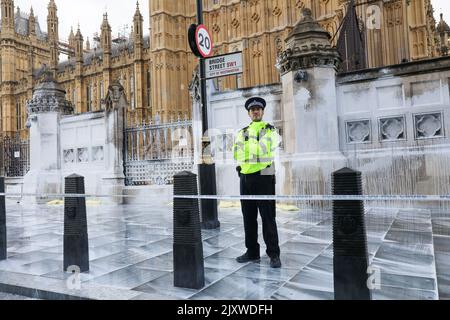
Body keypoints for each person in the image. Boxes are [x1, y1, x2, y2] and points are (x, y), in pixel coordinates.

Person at [233, 97, 281, 268]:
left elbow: (266, 149)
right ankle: (252, 251)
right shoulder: (242, 131)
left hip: (264, 177)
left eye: (258, 109)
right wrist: (255, 150)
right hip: (245, 178)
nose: (255, 111)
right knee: (248, 218)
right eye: (252, 109)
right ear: (248, 113)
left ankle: (274, 253)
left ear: (262, 111)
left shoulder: (270, 130)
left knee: (268, 217)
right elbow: (236, 154)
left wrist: (249, 149)